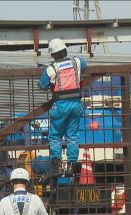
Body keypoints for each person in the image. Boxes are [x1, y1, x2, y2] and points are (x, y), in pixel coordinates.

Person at [38, 38, 88, 177]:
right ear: (65, 50)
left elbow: (41, 85)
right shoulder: (76, 62)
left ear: (53, 55)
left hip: (60, 106)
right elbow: (85, 64)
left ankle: (56, 166)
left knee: (55, 137)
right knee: (72, 136)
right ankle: (71, 166)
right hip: (76, 105)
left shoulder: (51, 69)